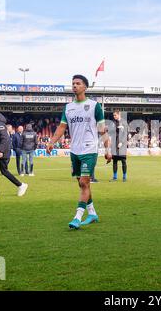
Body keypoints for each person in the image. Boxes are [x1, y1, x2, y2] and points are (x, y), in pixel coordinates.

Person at [46, 74, 112, 229]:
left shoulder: (94, 106)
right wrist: (51, 142)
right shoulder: (68, 108)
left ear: (85, 87)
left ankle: (77, 217)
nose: (74, 86)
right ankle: (92, 213)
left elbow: (102, 129)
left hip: (89, 149)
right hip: (74, 150)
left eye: (78, 83)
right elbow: (62, 127)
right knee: (83, 184)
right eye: (73, 83)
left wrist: (108, 150)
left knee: (84, 182)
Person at [0, 106, 28, 199]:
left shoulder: (0, 124)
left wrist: (0, 151)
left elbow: (5, 139)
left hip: (0, 153)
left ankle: (20, 185)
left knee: (2, 172)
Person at [110, 110, 128, 182]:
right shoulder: (113, 123)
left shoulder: (124, 122)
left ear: (119, 114)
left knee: (123, 161)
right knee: (114, 161)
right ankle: (115, 177)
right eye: (113, 115)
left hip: (122, 144)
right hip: (114, 143)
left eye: (115, 115)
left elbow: (126, 133)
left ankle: (124, 177)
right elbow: (111, 132)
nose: (114, 117)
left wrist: (122, 142)